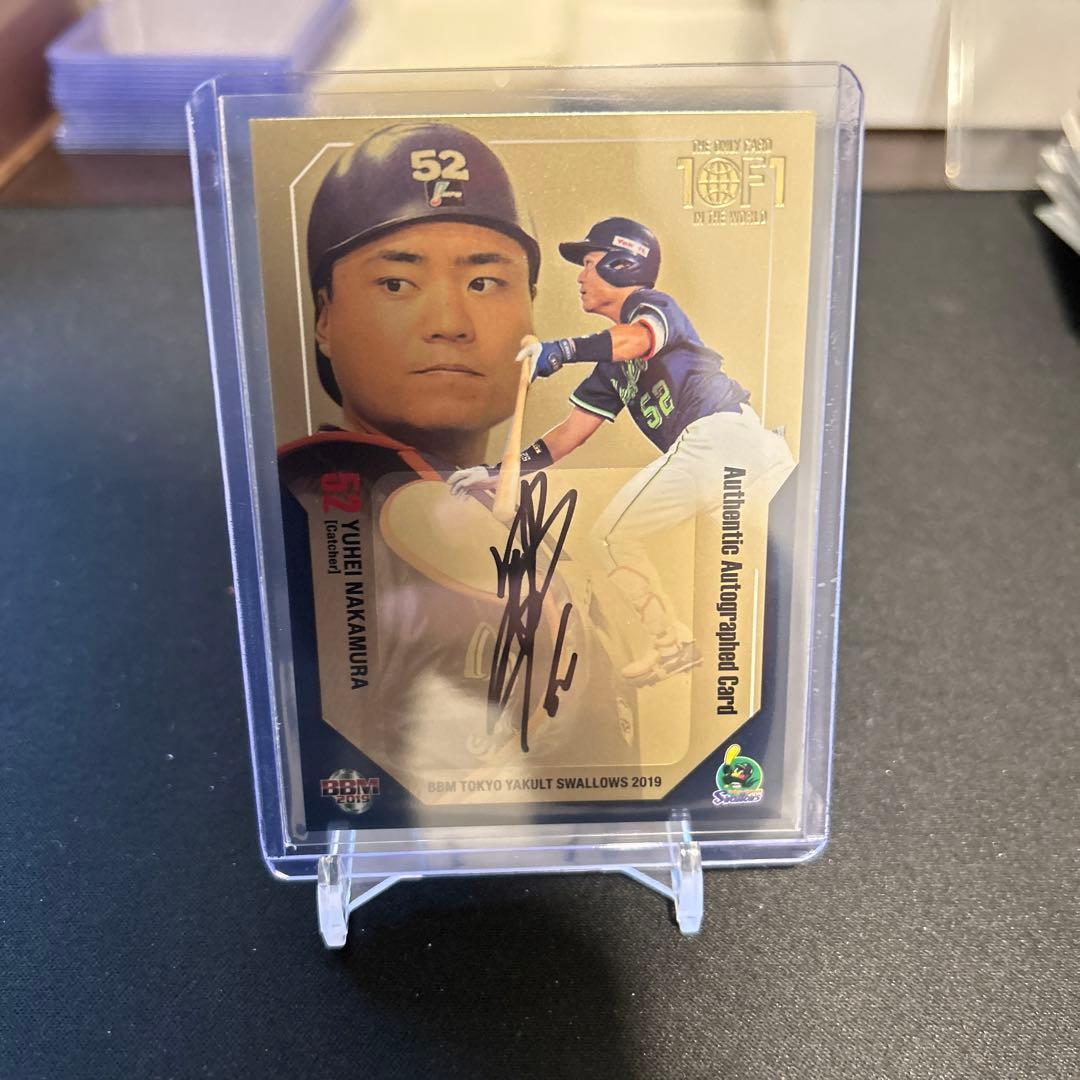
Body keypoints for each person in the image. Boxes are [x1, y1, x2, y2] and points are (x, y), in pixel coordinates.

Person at [278, 126, 637, 784]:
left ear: (532, 313)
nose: (449, 322)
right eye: (396, 283)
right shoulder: (303, 506)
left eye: (485, 282)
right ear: (324, 317)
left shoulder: (529, 519)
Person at [450, 216, 795, 686]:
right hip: (747, 455)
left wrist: (562, 349)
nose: (580, 276)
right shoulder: (613, 368)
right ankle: (730, 662)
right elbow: (569, 434)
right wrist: (497, 472)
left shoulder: (651, 307)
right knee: (773, 574)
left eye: (589, 262)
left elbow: (639, 339)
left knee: (611, 537)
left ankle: (672, 646)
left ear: (621, 264)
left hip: (721, 438)